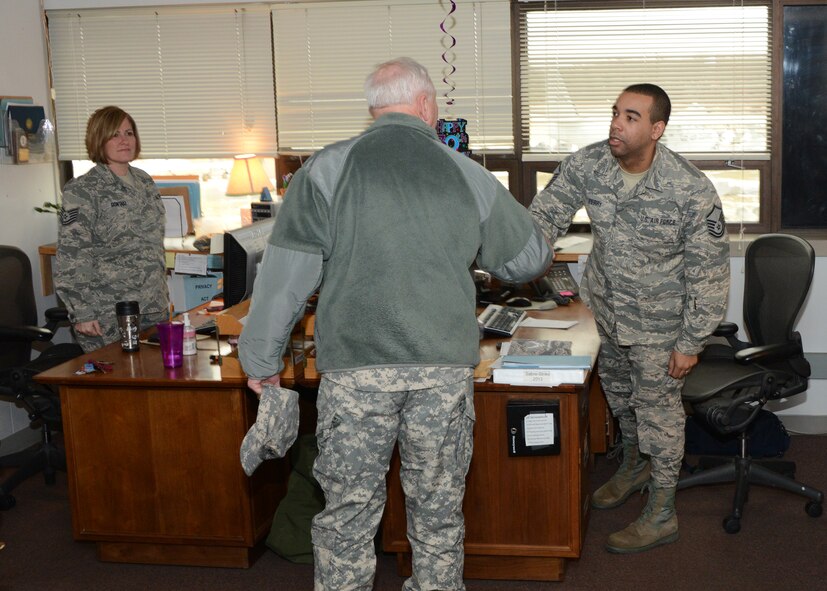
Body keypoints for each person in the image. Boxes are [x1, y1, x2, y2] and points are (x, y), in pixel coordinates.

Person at [238, 57, 553, 590]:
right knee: (436, 512)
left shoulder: (326, 169)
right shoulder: (465, 172)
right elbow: (529, 260)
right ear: (427, 105)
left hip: (356, 370)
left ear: (373, 108)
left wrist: (261, 361)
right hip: (441, 370)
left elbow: (284, 278)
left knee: (347, 517)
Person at [529, 84, 730, 554]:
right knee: (621, 399)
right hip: (605, 311)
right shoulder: (589, 163)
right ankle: (635, 464)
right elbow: (543, 216)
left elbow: (710, 274)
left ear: (657, 129)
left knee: (660, 416)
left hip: (661, 325)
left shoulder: (689, 189)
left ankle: (662, 512)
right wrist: (517, 257)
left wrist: (691, 342)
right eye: (615, 112)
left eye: (632, 117)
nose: (617, 123)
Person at [55, 106, 169, 353]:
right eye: (114, 134)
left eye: (129, 133)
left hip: (152, 306)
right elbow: (72, 255)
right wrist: (82, 311)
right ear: (99, 139)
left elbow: (152, 245)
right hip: (109, 314)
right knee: (117, 388)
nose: (124, 140)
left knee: (155, 386)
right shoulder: (83, 190)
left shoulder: (144, 181)